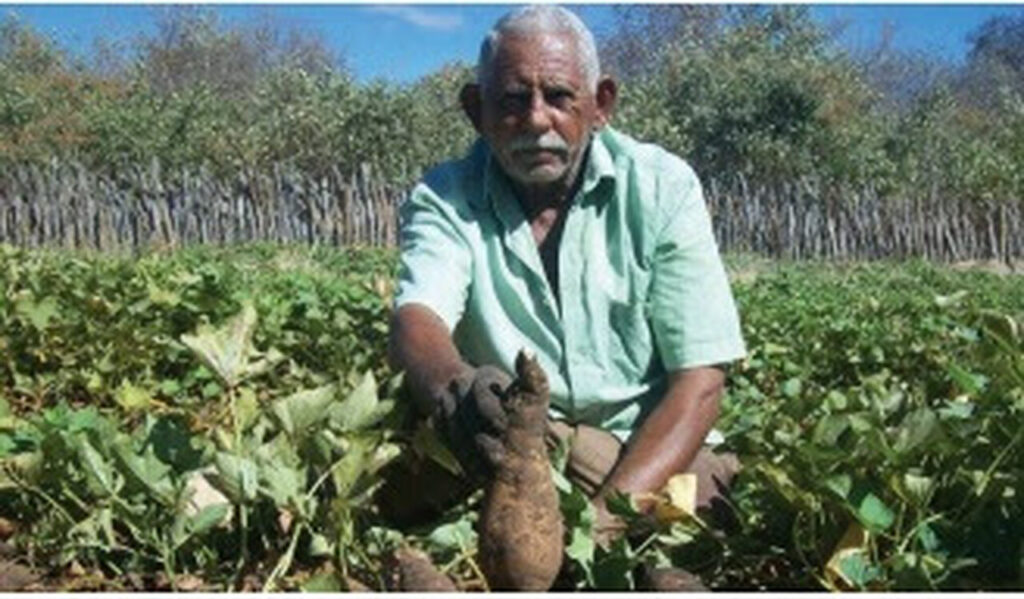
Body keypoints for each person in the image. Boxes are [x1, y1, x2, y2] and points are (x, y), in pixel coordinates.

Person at [383, 4, 746, 588]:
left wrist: (594, 529)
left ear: (600, 104)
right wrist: (460, 392)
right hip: (512, 443)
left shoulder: (661, 187)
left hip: (639, 451)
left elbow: (700, 383)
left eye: (557, 96)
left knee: (696, 500)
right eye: (510, 101)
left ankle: (641, 570)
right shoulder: (446, 197)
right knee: (406, 477)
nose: (536, 120)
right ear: (476, 111)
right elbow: (416, 320)